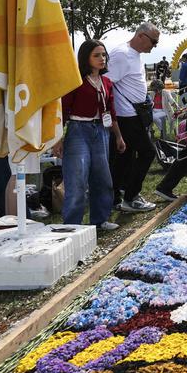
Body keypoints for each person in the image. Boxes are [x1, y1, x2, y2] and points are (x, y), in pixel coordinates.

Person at [55, 40, 126, 231]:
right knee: (76, 179)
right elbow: (63, 110)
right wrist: (57, 139)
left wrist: (118, 136)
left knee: (103, 178)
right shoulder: (76, 80)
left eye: (103, 55)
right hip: (79, 130)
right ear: (86, 58)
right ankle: (71, 225)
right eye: (96, 55)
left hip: (102, 131)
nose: (102, 59)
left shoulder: (107, 82)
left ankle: (100, 220)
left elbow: (111, 112)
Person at [107, 23, 160, 213]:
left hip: (134, 113)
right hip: (126, 115)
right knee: (147, 152)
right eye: (153, 41)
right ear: (141, 36)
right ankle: (131, 196)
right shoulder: (122, 54)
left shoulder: (134, 55)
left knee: (124, 158)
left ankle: (115, 197)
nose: (154, 46)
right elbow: (107, 85)